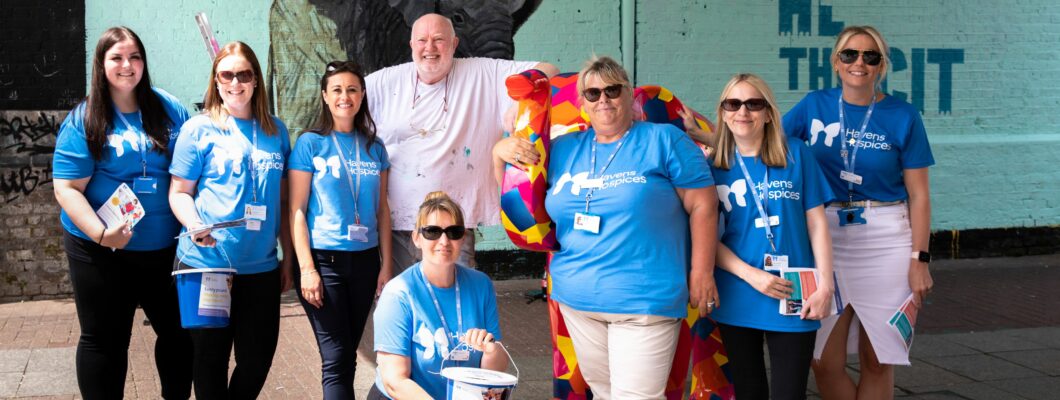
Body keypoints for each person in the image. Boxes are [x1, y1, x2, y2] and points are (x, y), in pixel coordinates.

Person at [494, 55, 717, 399]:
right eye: (593, 93)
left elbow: (703, 204)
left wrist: (702, 271)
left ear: (629, 94)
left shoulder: (665, 140)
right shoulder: (563, 149)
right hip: (577, 302)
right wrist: (501, 150)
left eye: (613, 90)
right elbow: (520, 197)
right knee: (604, 392)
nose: (604, 100)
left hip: (644, 303)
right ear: (581, 102)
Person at [783, 26, 935, 399]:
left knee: (879, 359)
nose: (859, 63)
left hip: (887, 238)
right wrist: (704, 137)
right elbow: (758, 139)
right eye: (850, 54)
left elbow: (919, 195)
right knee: (822, 361)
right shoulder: (814, 104)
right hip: (824, 236)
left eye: (871, 56)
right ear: (836, 62)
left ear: (881, 66)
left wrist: (920, 259)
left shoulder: (903, 115)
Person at [51, 26, 193, 400]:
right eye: (116, 57)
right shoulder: (85, 118)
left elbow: (191, 167)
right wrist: (101, 233)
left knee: (179, 334)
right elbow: (66, 188)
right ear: (101, 64)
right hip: (101, 251)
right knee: (106, 341)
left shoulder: (169, 108)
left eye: (135, 57)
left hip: (165, 250)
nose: (127, 65)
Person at [365, 13, 558, 271]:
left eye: (439, 40)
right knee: (404, 301)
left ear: (454, 44)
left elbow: (550, 71)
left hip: (454, 225)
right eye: (422, 40)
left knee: (455, 300)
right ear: (411, 45)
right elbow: (344, 105)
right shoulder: (384, 82)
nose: (430, 48)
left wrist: (523, 100)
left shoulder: (482, 72)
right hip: (401, 222)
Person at [168, 41, 293, 399]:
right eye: (227, 74)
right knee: (209, 361)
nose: (235, 82)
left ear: (256, 80)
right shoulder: (199, 129)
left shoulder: (276, 131)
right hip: (208, 266)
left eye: (244, 74)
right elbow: (179, 192)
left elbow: (283, 201)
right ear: (216, 79)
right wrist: (194, 223)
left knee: (257, 360)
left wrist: (289, 258)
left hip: (261, 269)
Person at [707, 73, 835, 400]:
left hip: (795, 290)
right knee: (749, 392)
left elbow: (817, 223)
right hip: (738, 288)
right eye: (733, 104)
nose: (743, 112)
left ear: (768, 112)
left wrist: (826, 285)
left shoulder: (796, 153)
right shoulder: (713, 166)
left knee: (790, 394)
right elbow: (706, 236)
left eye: (754, 103)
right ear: (723, 112)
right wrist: (752, 276)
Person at [289, 60, 393, 399]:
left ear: (362, 95)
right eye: (337, 90)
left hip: (365, 264)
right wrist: (307, 269)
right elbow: (297, 210)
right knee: (335, 358)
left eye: (351, 89)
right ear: (325, 96)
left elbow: (382, 210)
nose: (344, 96)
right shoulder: (310, 144)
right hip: (324, 263)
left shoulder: (375, 147)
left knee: (347, 354)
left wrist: (386, 266)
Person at [369, 192, 508, 400]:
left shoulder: (481, 285)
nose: (444, 240)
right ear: (416, 238)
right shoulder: (398, 294)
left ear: (463, 237)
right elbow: (395, 381)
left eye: (453, 232)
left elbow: (493, 372)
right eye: (432, 231)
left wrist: (490, 351)